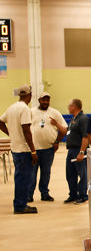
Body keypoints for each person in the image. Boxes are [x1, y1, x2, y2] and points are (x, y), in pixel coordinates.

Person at [0, 84, 39, 214]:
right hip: (23, 150)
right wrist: (33, 151)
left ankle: (20, 203)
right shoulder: (25, 109)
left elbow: (1, 121)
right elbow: (26, 130)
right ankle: (20, 206)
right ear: (30, 95)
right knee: (24, 178)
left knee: (20, 177)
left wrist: (11, 133)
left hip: (15, 148)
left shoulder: (12, 108)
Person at [28, 92, 66, 202]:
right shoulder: (31, 112)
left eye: (47, 100)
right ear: (39, 100)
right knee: (32, 173)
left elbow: (64, 129)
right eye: (43, 100)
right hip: (33, 149)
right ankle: (29, 194)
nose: (45, 102)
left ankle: (44, 194)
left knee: (46, 173)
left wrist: (57, 141)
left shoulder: (55, 112)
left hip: (48, 149)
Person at [56, 99, 89, 203]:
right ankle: (73, 194)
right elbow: (66, 131)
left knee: (82, 174)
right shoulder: (74, 119)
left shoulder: (83, 119)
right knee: (70, 174)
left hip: (78, 149)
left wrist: (82, 152)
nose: (68, 107)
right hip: (71, 150)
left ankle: (83, 195)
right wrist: (56, 124)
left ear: (74, 106)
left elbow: (86, 136)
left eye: (69, 105)